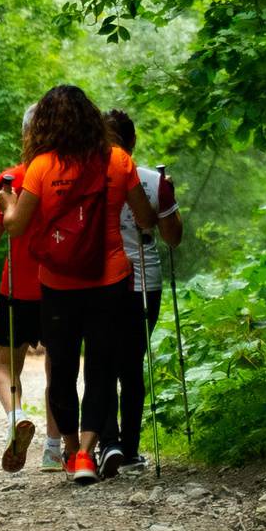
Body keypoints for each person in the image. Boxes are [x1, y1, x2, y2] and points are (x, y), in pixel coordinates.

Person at [0, 85, 156, 486]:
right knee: (101, 368)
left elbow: (16, 227)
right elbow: (145, 219)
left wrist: (7, 206)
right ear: (91, 118)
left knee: (64, 370)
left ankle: (70, 450)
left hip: (58, 282)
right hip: (111, 280)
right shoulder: (119, 160)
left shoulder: (40, 167)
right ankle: (88, 452)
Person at [0, 108, 65, 473]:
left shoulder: (11, 179)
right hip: (61, 287)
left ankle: (17, 416)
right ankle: (53, 451)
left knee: (5, 367)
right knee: (58, 370)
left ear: (26, 135)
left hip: (17, 290)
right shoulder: (67, 178)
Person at [104, 109, 183, 473]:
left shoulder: (89, 179)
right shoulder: (155, 181)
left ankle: (107, 443)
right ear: (132, 142)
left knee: (102, 363)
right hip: (142, 281)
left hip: (98, 280)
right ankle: (130, 449)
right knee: (131, 363)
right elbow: (172, 238)